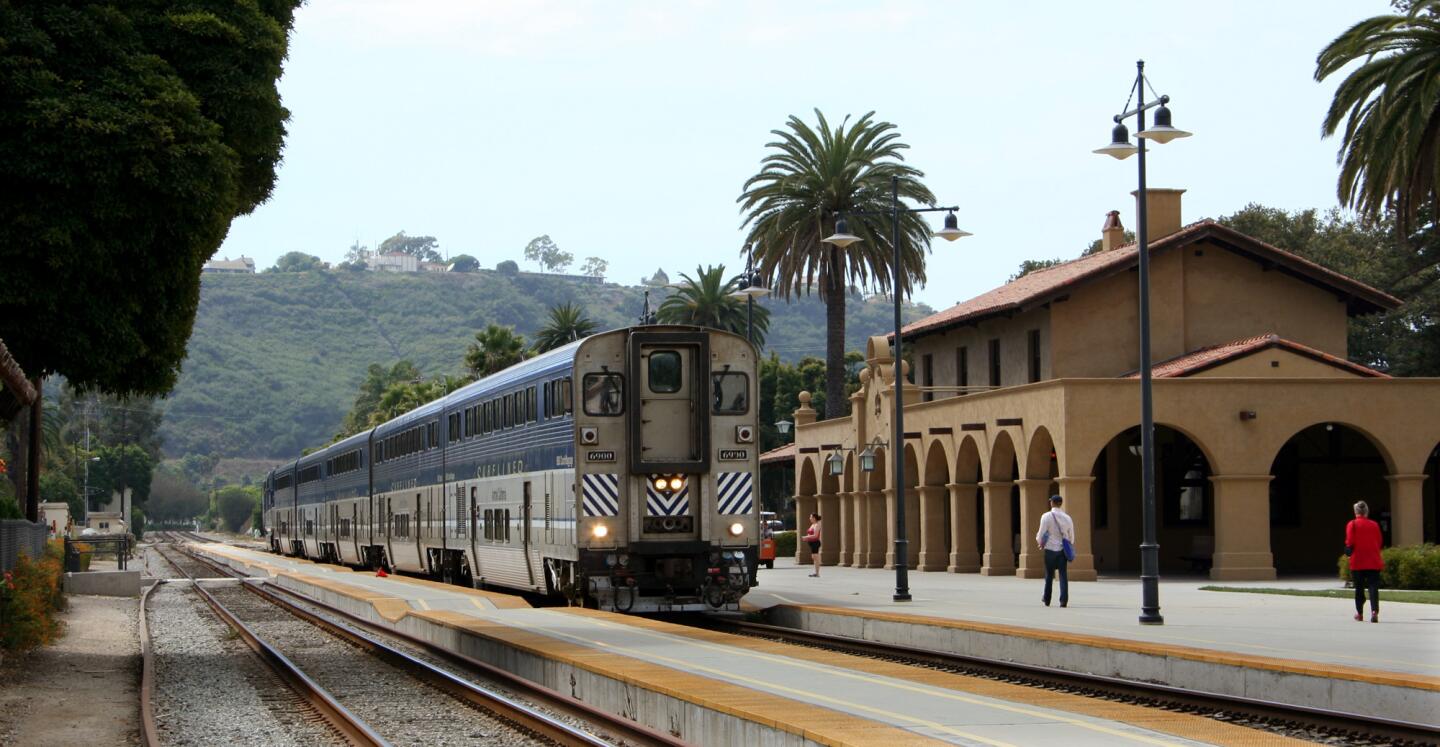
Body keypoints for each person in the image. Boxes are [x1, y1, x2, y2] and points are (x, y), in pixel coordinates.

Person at [1346, 500, 1384, 623]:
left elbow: (1350, 542)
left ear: (1355, 512)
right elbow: (1379, 542)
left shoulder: (1352, 524)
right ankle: (1374, 611)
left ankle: (1360, 613)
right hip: (1373, 560)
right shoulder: (1374, 525)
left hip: (1357, 561)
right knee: (1373, 587)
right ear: (1366, 511)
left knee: (1359, 588)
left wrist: (1348, 553)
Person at [1035, 495, 1074, 607]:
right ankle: (1063, 600)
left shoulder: (1046, 516)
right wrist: (1069, 544)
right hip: (1062, 550)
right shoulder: (1067, 518)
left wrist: (1040, 542)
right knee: (1063, 575)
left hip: (1050, 550)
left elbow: (1041, 533)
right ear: (1061, 503)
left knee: (1049, 575)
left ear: (1052, 503)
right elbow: (1071, 537)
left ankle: (1047, 598)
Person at [801, 512, 822, 577]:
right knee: (814, 557)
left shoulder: (817, 525)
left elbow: (815, 535)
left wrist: (806, 537)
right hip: (812, 543)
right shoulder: (813, 525)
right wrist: (807, 538)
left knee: (816, 557)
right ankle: (816, 572)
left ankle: (817, 573)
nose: (809, 518)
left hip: (815, 543)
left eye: (811, 517)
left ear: (814, 518)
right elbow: (810, 533)